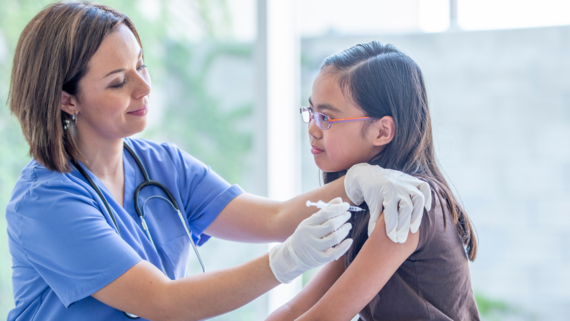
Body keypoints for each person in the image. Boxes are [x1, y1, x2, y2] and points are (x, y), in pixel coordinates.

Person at [5, 3, 431, 321]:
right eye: (119, 81)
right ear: (66, 99)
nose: (144, 87)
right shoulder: (46, 202)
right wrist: (284, 262)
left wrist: (359, 181)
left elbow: (275, 216)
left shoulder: (162, 166)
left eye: (141, 65)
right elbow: (161, 301)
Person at [266, 42, 480, 321]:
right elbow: (295, 310)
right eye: (311, 113)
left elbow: (322, 317)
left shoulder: (407, 204)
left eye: (326, 118)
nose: (312, 128)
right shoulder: (365, 205)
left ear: (382, 131)